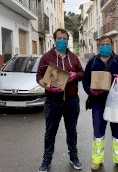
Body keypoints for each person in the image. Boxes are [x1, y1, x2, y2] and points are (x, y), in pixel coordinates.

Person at [82, 36, 118, 171]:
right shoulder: (93, 61)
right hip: (98, 104)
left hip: (116, 104)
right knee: (98, 133)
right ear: (99, 46)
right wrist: (90, 92)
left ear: (112, 45)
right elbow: (85, 80)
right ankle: (96, 161)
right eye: (102, 44)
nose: (105, 46)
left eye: (108, 44)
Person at [36, 28, 84, 172]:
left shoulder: (74, 57)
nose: (62, 41)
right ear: (55, 40)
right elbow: (38, 76)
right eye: (59, 38)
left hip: (71, 100)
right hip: (53, 101)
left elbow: (82, 73)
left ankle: (74, 157)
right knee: (50, 132)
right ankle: (46, 160)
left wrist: (76, 75)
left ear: (67, 40)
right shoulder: (46, 57)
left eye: (65, 38)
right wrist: (46, 86)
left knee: (72, 131)